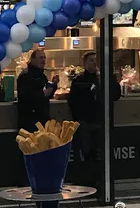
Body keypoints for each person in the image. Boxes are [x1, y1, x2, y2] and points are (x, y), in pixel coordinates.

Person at [68, 51, 121, 184]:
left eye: (96, 60)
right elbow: (72, 102)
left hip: (102, 121)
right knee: (86, 153)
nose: (94, 63)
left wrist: (109, 79)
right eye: (91, 60)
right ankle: (87, 181)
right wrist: (79, 120)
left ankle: (102, 182)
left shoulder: (105, 78)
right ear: (84, 64)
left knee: (102, 154)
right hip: (85, 122)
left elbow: (116, 95)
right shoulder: (78, 81)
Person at [16, 49, 58, 132]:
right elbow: (25, 97)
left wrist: (54, 85)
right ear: (33, 60)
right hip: (30, 120)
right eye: (40, 57)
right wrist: (42, 94)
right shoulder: (25, 76)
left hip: (42, 119)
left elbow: (46, 95)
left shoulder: (41, 75)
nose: (43, 60)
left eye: (44, 58)